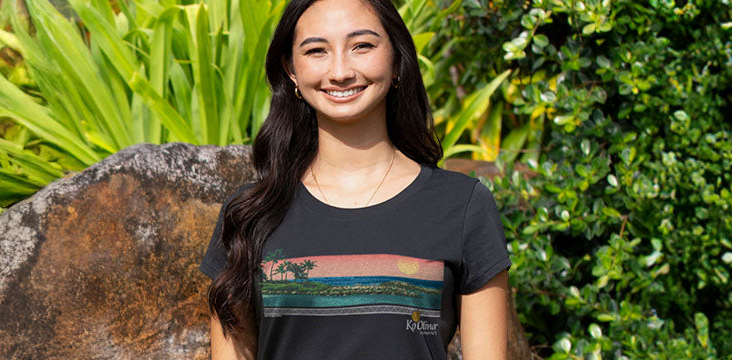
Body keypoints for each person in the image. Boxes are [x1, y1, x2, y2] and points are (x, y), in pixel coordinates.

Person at [198, 0, 514, 359]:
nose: (340, 71)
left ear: (396, 60)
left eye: (362, 46)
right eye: (316, 50)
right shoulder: (249, 215)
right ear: (291, 71)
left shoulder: (462, 207)